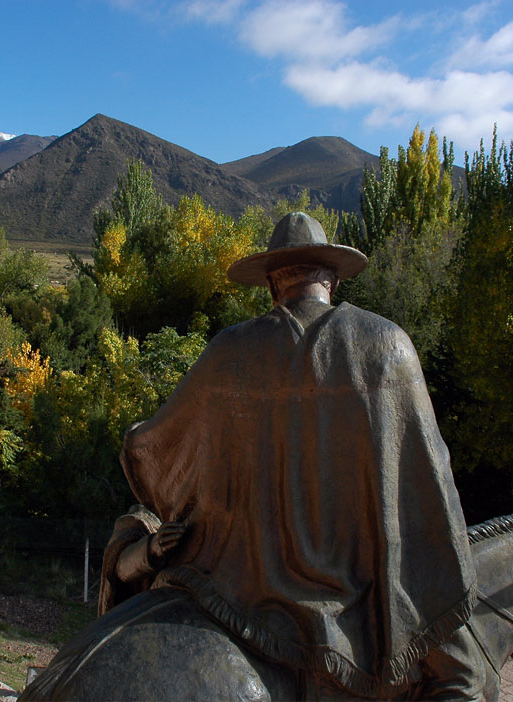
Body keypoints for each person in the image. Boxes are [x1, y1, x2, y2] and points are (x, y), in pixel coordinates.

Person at [106, 212, 478, 699]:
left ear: (271, 284)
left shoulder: (228, 352)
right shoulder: (389, 346)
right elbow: (432, 484)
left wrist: (135, 435)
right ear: (334, 278)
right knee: (464, 679)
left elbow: (152, 445)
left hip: (237, 595)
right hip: (360, 606)